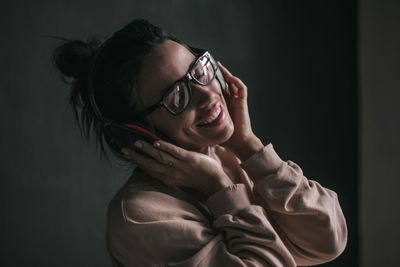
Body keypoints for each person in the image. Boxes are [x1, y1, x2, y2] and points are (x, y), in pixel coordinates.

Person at [53, 19, 347, 267]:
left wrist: (248, 147)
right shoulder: (140, 216)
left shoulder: (233, 159)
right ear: (140, 131)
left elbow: (329, 239)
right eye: (177, 97)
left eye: (199, 71)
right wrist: (218, 188)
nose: (207, 95)